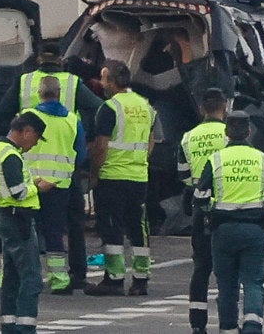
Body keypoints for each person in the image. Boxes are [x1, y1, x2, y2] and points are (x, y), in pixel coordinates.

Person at [195, 111, 264, 334]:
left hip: (223, 230)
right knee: (253, 282)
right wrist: (259, 208)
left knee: (226, 285)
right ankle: (252, 326)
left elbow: (200, 196)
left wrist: (210, 211)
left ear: (227, 132)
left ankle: (229, 328)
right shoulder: (263, 159)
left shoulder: (216, 159)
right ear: (249, 132)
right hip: (254, 230)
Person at [84, 59, 160, 296]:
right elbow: (150, 142)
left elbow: (101, 146)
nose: (101, 83)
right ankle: (141, 279)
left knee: (112, 227)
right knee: (139, 227)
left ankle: (114, 279)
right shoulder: (145, 106)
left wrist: (94, 174)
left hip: (112, 176)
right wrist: (139, 162)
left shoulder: (109, 108)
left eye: (103, 78)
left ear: (112, 82)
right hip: (138, 177)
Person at [0, 111, 55, 334]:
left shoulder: (1, 150)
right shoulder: (11, 155)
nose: (35, 143)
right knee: (31, 277)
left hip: (7, 216)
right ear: (27, 131)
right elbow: (18, 192)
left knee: (11, 277)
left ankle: (9, 326)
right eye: (36, 137)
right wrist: (37, 187)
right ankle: (26, 328)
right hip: (18, 219)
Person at [22, 76, 87, 294]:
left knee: (24, 231)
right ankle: (59, 279)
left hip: (30, 185)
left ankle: (21, 276)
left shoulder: (27, 117)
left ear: (39, 94)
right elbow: (80, 155)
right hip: (60, 186)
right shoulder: (72, 120)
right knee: (55, 233)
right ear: (59, 94)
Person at [179, 88, 230, 333]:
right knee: (227, 269)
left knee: (201, 267)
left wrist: (198, 185)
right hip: (226, 206)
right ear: (225, 107)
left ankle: (198, 324)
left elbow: (183, 174)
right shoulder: (230, 135)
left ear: (201, 109)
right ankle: (228, 320)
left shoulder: (189, 137)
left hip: (201, 207)